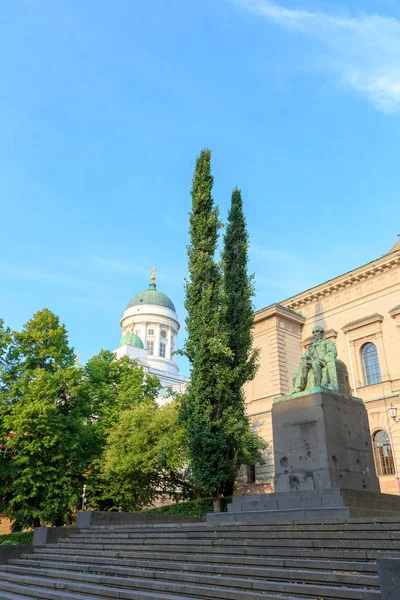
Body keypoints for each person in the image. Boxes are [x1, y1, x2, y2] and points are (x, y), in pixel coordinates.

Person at [293, 325, 338, 392]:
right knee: (304, 365)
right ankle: (299, 387)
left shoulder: (327, 343)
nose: (315, 334)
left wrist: (324, 359)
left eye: (317, 332)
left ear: (321, 333)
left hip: (322, 361)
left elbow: (332, 352)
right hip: (312, 361)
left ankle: (318, 385)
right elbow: (304, 357)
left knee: (315, 363)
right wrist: (305, 360)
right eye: (313, 332)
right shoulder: (311, 347)